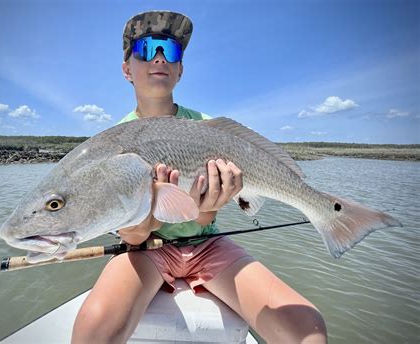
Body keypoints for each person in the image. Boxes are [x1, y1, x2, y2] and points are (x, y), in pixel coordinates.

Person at [72, 10, 327, 343]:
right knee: (92, 329)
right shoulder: (113, 141)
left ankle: (325, 212)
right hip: (146, 251)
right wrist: (145, 223)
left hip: (208, 243)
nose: (159, 58)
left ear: (180, 70)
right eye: (146, 49)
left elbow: (205, 217)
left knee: (307, 327)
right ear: (126, 70)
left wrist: (208, 206)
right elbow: (133, 238)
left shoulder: (206, 126)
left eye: (172, 51)